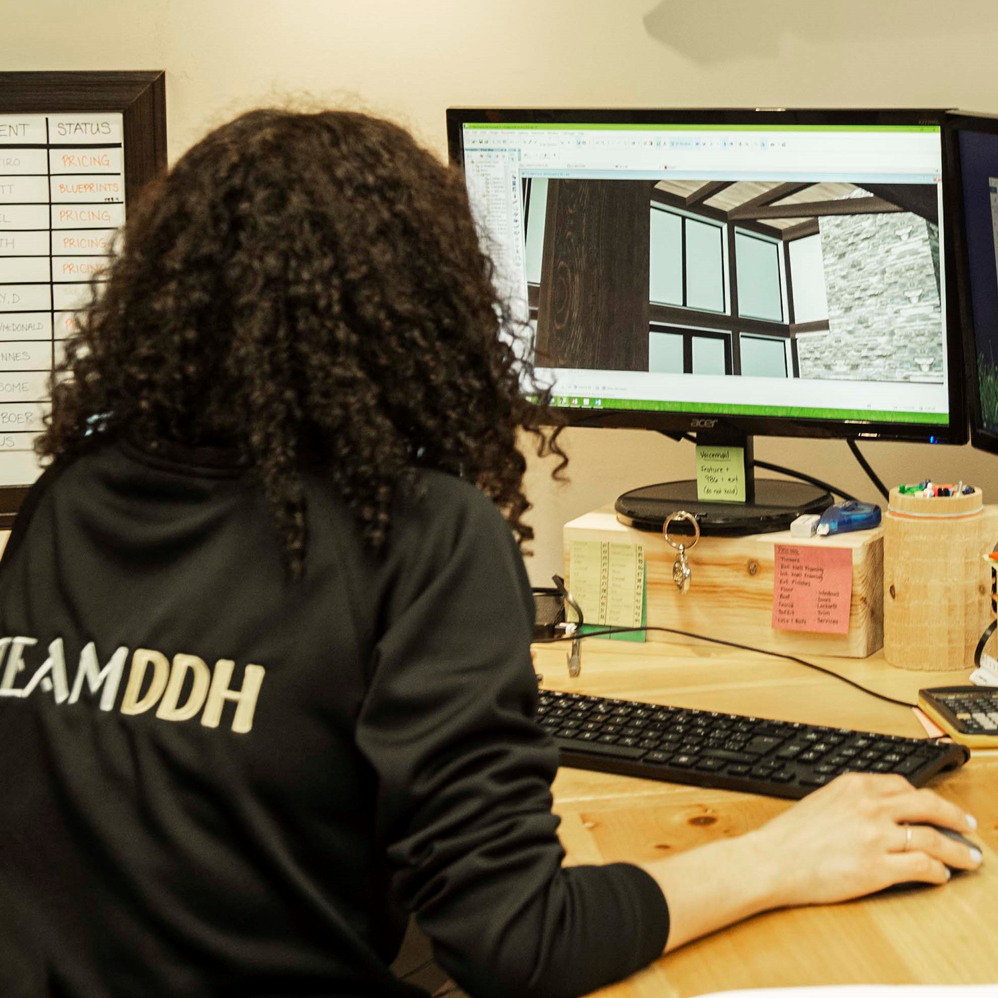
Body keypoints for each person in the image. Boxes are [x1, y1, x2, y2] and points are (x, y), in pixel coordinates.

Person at [0, 108, 982, 998]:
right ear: (425, 304)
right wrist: (780, 854)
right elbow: (515, 940)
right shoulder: (416, 531)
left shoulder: (68, 499)